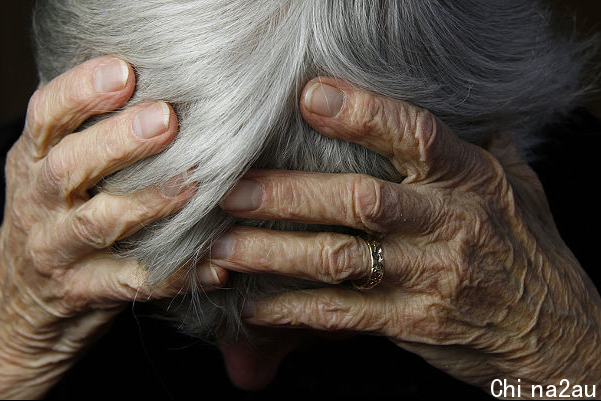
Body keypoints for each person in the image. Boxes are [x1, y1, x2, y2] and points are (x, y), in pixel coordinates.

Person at [1, 0, 600, 398]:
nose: (248, 376)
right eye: (161, 306)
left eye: (338, 323)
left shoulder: (559, 259)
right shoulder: (39, 219)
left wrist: (569, 363)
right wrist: (13, 351)